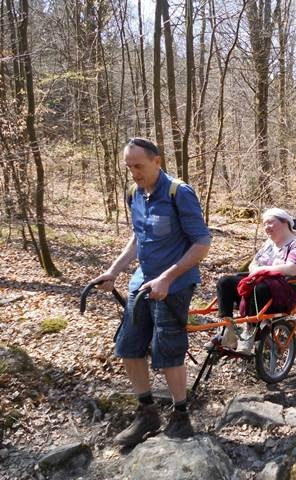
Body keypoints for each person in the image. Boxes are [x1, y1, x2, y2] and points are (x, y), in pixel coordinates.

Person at [92, 138, 211, 446]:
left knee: (168, 350)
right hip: (142, 280)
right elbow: (138, 238)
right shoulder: (134, 193)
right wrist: (114, 271)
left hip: (175, 283)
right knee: (128, 345)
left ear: (157, 162)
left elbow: (201, 244)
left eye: (139, 166)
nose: (134, 173)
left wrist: (168, 278)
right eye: (129, 167)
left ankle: (181, 416)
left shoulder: (178, 194)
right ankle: (147, 412)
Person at [215, 208, 296, 354]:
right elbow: (253, 264)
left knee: (258, 288)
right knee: (225, 282)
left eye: (270, 223)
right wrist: (257, 271)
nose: (267, 227)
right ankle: (228, 331)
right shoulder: (268, 244)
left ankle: (250, 334)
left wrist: (264, 270)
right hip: (262, 285)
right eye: (264, 224)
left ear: (285, 222)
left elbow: (292, 269)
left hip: (287, 290)